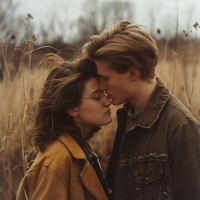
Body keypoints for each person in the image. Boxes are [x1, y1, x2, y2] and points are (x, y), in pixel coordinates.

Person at [82, 20, 200, 200]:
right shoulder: (126, 116)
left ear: (132, 73)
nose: (102, 86)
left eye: (105, 78)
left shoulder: (181, 127)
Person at [16, 53, 112, 200]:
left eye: (104, 94)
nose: (107, 101)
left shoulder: (79, 149)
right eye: (97, 96)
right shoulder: (56, 162)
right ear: (73, 109)